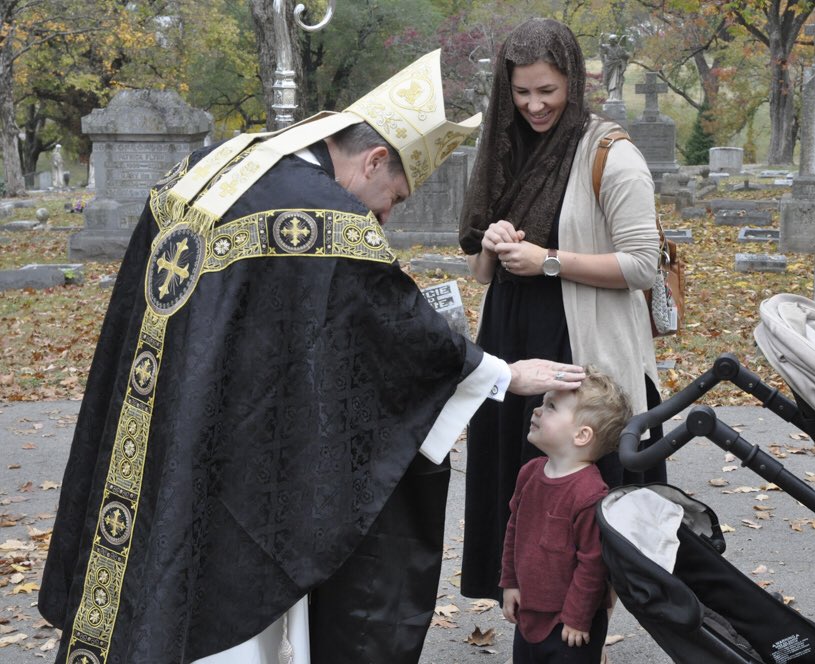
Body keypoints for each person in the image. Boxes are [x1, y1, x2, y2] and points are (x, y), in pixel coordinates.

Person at [38, 49, 587, 664]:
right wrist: (501, 373)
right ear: (374, 159)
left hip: (160, 406)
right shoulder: (328, 217)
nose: (383, 218)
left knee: (152, 561)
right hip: (243, 453)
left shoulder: (212, 163)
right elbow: (394, 327)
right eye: (393, 199)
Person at [458, 18, 665, 603]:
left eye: (547, 90)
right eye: (521, 92)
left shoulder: (610, 153)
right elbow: (483, 266)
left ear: (572, 80)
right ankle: (527, 606)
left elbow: (642, 266)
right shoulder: (503, 146)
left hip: (581, 341)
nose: (534, 105)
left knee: (576, 494)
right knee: (516, 484)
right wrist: (496, 242)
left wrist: (548, 260)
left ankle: (579, 615)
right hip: (510, 335)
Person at [501, 369, 630, 664]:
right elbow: (514, 530)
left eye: (551, 407)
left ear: (582, 435)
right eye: (544, 402)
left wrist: (577, 617)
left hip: (570, 623)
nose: (537, 409)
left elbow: (593, 563)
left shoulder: (589, 494)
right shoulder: (530, 473)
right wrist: (510, 582)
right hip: (530, 611)